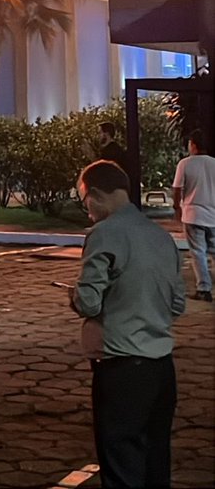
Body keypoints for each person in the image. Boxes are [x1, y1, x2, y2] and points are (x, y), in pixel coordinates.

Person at [69, 159, 185, 489]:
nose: (86, 208)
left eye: (85, 199)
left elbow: (89, 301)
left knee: (121, 465)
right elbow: (177, 303)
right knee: (155, 459)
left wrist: (75, 297)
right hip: (161, 367)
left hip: (121, 366)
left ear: (94, 194)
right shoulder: (161, 237)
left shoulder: (104, 234)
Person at [172, 128, 215, 302]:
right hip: (213, 214)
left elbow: (177, 188)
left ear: (193, 145)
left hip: (193, 214)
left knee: (198, 252)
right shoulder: (213, 163)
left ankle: (204, 288)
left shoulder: (185, 164)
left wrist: (177, 207)